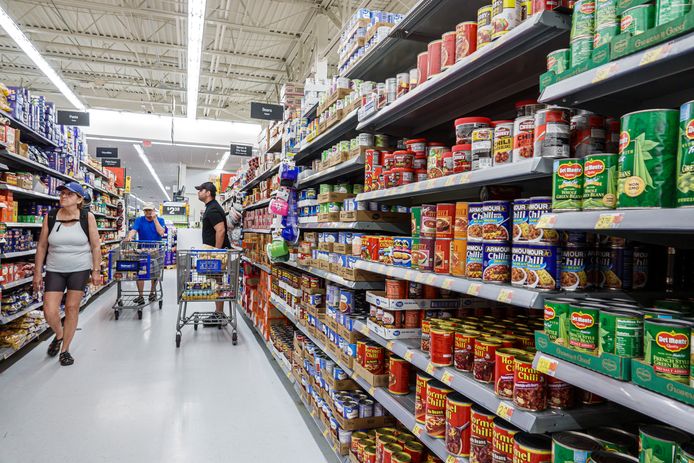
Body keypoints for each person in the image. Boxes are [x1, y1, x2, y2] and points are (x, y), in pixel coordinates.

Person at [33, 182, 102, 366]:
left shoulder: (87, 217)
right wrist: (37, 272)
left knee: (72, 308)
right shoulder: (51, 216)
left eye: (69, 194)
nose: (63, 197)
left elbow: (96, 246)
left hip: (79, 268)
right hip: (55, 268)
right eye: (62, 193)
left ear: (79, 199)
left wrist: (96, 270)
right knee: (49, 310)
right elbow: (41, 246)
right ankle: (59, 333)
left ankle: (65, 349)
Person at [195, 182, 230, 326]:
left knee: (217, 282)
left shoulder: (213, 209)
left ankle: (219, 315)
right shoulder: (211, 207)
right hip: (213, 251)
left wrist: (216, 253)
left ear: (208, 192)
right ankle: (218, 313)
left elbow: (220, 231)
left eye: (200, 190)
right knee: (216, 283)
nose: (198, 193)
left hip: (215, 253)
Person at [123, 203, 166, 305]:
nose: (148, 212)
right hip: (142, 250)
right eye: (146, 210)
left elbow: (161, 233)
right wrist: (130, 237)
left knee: (155, 273)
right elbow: (134, 230)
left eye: (150, 210)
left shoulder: (160, 220)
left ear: (154, 210)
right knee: (140, 273)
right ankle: (141, 295)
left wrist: (155, 219)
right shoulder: (140, 220)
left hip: (156, 251)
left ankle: (152, 292)